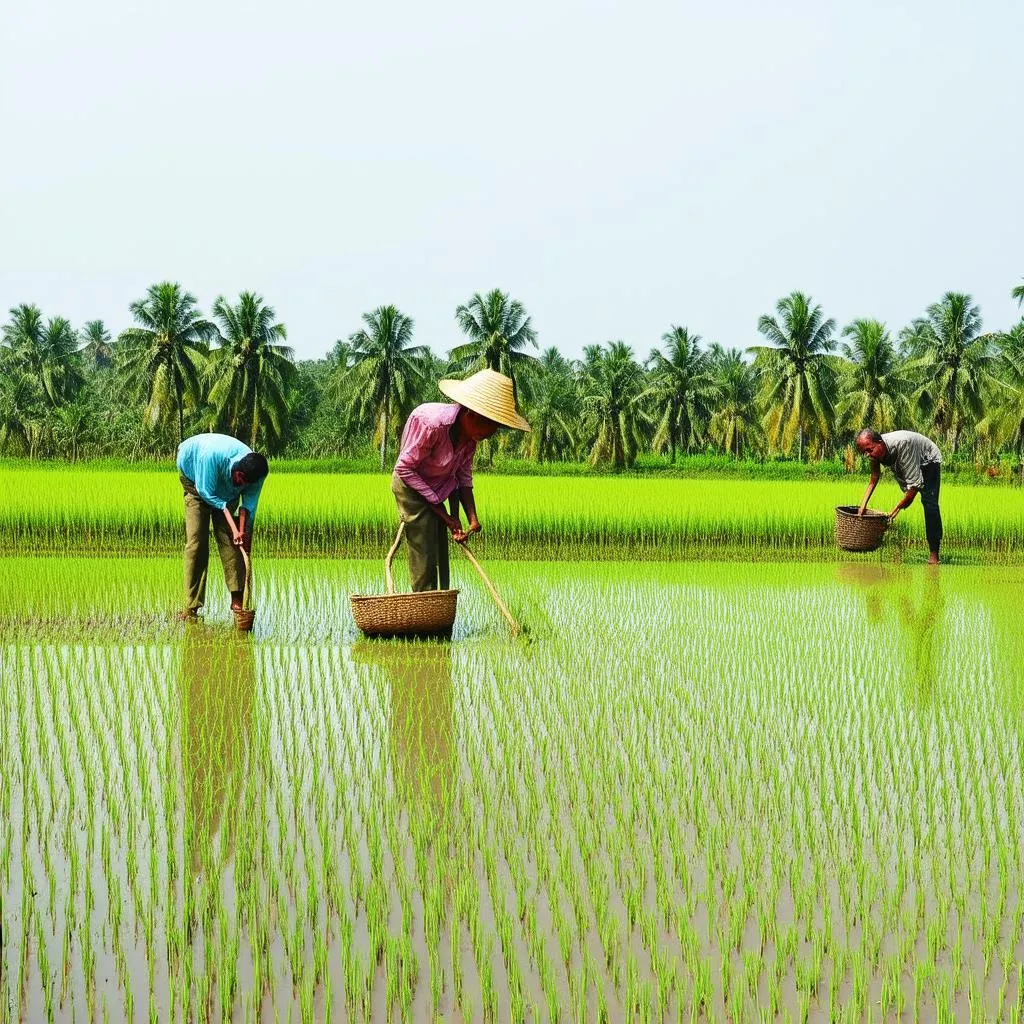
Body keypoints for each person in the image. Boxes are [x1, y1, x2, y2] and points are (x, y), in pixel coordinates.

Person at [392, 368, 531, 591]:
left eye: (496, 427)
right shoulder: (432, 425)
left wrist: (472, 520)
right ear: (471, 414)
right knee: (423, 541)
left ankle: (440, 601)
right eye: (490, 424)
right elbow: (404, 468)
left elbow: (463, 479)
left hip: (439, 485)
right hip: (410, 482)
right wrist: (443, 513)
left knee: (440, 545)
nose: (491, 432)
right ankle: (423, 602)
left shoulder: (470, 440)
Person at [176, 433, 269, 619]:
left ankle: (237, 601)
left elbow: (248, 506)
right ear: (237, 472)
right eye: (241, 481)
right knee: (196, 544)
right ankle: (191, 606)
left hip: (227, 494)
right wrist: (224, 509)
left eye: (246, 484)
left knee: (233, 543)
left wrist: (243, 532)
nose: (243, 485)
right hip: (196, 482)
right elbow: (206, 492)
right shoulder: (211, 456)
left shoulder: (256, 474)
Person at [855, 428, 942, 564]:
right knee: (912, 493)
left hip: (928, 459)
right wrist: (862, 507)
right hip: (907, 458)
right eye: (864, 452)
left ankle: (934, 555)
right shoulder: (874, 451)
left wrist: (896, 509)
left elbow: (913, 488)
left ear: (879, 443)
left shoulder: (903, 444)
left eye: (869, 450)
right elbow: (874, 477)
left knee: (930, 504)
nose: (867, 455)